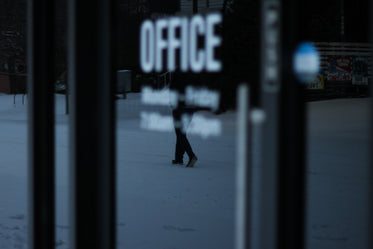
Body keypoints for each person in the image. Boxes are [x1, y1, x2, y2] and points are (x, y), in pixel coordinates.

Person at [172, 102, 198, 167]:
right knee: (181, 133)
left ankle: (191, 156)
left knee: (180, 134)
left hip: (180, 109)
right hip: (190, 109)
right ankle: (179, 158)